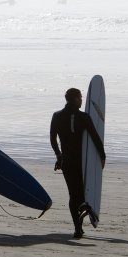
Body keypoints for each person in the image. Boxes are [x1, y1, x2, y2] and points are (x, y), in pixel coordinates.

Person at [50, 88, 105, 239]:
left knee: (73, 195)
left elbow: (52, 139)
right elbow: (95, 137)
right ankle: (80, 221)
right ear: (74, 99)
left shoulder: (57, 116)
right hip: (83, 162)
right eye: (80, 98)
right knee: (80, 195)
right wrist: (102, 156)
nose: (82, 100)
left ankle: (77, 228)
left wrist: (59, 155)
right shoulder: (84, 117)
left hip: (67, 161)